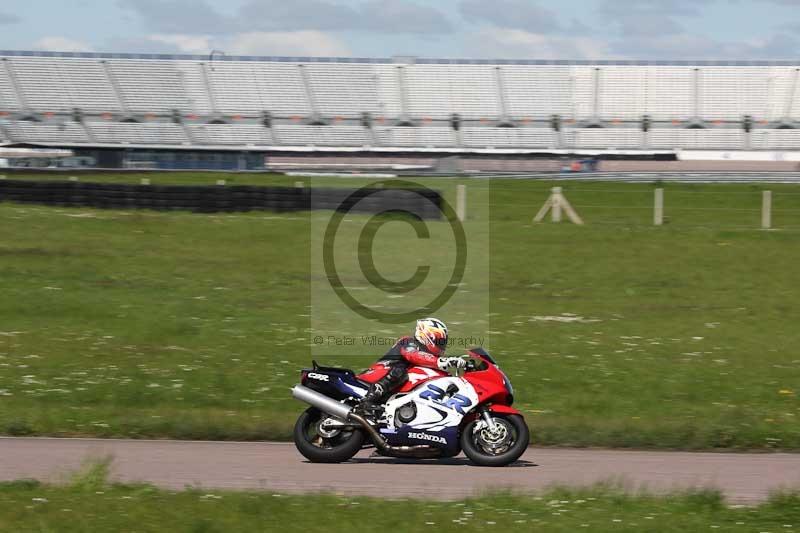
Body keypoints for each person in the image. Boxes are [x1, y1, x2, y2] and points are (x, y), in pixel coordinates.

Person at [357, 317, 465, 415]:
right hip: (376, 376)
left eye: (443, 342)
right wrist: (443, 362)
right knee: (400, 371)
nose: (441, 345)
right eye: (439, 341)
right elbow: (413, 355)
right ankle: (367, 401)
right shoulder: (408, 342)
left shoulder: (431, 362)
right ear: (427, 336)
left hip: (395, 391)